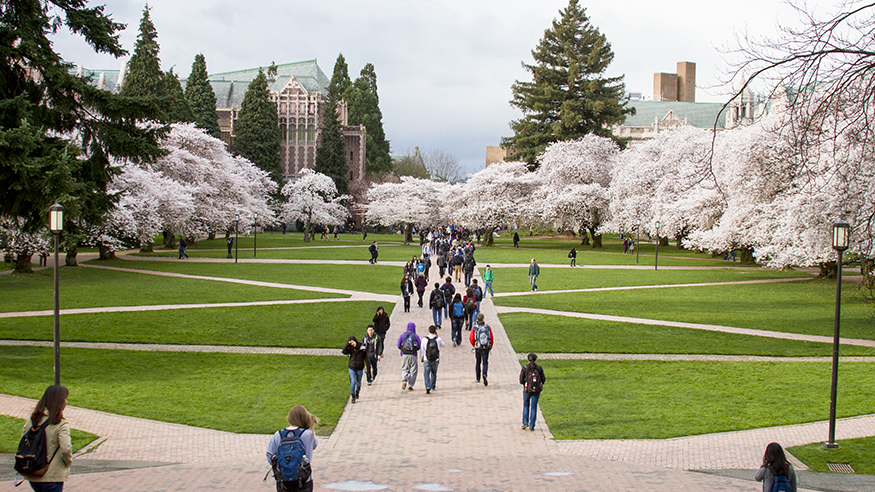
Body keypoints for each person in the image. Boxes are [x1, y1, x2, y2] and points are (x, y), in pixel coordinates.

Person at [20, 385, 72, 491]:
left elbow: (24, 441)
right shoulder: (60, 423)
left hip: (34, 473)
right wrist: (68, 462)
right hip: (53, 475)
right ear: (59, 402)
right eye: (65, 399)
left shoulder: (32, 420)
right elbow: (66, 449)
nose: (66, 402)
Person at [266, 405, 319, 492]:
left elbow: (269, 454)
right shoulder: (308, 434)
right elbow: (315, 445)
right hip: (304, 479)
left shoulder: (278, 435)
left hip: (283, 480)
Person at [519, 353, 546, 431]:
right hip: (536, 391)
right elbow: (543, 379)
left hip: (527, 390)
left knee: (526, 405)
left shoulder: (525, 368)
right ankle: (532, 425)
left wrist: (525, 383)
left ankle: (525, 422)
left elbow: (521, 380)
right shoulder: (539, 368)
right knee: (534, 406)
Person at [469, 313, 494, 386]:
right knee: (485, 362)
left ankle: (477, 377)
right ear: (483, 319)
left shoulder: (475, 328)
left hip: (478, 347)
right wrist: (490, 346)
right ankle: (484, 374)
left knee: (478, 362)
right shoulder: (487, 327)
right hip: (485, 347)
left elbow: (471, 338)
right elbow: (491, 338)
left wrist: (474, 345)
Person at [419, 325, 445, 394]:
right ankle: (433, 385)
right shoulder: (438, 339)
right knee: (434, 372)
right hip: (435, 359)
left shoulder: (424, 339)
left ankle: (428, 386)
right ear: (435, 331)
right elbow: (443, 344)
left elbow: (422, 349)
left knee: (426, 373)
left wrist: (421, 357)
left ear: (428, 331)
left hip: (426, 358)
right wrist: (437, 336)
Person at [341, 336, 367, 403]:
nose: (352, 344)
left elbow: (366, 357)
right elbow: (344, 351)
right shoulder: (350, 348)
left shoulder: (362, 347)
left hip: (359, 368)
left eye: (353, 342)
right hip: (352, 367)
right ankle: (353, 396)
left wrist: (367, 367)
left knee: (358, 383)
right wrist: (348, 344)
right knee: (353, 382)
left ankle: (357, 391)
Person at [397, 322, 421, 391]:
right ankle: (410, 385)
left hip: (404, 355)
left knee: (405, 368)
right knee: (413, 370)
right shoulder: (415, 336)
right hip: (413, 355)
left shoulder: (402, 335)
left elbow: (398, 345)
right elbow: (419, 346)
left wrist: (402, 350)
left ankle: (405, 379)